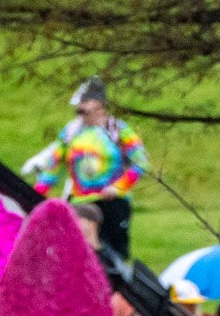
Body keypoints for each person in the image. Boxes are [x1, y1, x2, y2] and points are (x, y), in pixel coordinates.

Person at [19, 78, 151, 256]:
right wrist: (37, 193)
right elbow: (54, 164)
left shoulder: (118, 130)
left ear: (98, 104)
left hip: (112, 203)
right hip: (80, 204)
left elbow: (140, 161)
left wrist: (118, 188)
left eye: (85, 104)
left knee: (113, 254)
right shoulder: (71, 132)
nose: (80, 110)